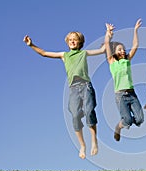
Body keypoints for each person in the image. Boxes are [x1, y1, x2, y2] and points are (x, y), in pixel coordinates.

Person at [23, 31, 105, 159]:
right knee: (75, 116)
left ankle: (94, 141)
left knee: (89, 111)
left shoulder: (84, 53)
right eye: (70, 40)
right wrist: (31, 44)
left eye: (75, 39)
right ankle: (82, 145)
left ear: (80, 42)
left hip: (86, 86)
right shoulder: (64, 55)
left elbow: (102, 50)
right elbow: (44, 53)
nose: (72, 41)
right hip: (73, 89)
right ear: (67, 42)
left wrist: (108, 35)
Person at [105, 19, 144, 141]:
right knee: (127, 120)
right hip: (120, 95)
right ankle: (118, 128)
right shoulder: (112, 62)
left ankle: (125, 123)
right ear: (114, 52)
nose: (122, 51)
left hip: (132, 93)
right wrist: (108, 33)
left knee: (140, 119)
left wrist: (135, 30)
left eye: (123, 49)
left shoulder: (127, 60)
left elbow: (136, 46)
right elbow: (107, 44)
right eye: (119, 49)